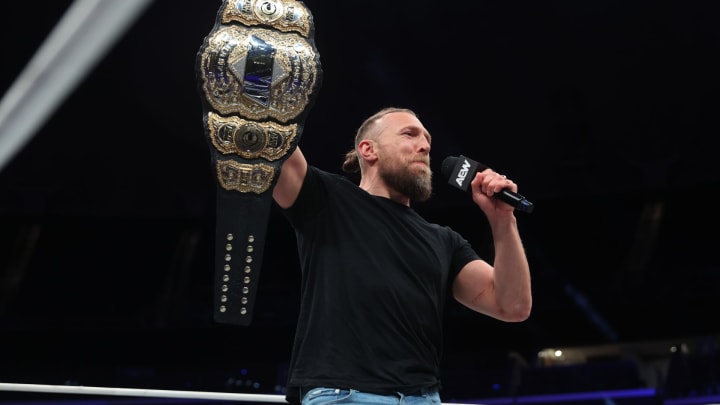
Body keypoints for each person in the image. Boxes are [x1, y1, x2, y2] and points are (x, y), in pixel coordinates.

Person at [272, 107, 532, 405]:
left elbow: (513, 305)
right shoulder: (328, 200)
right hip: (344, 394)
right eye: (409, 134)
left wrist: (503, 221)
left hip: (422, 397)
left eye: (427, 141)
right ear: (368, 150)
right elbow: (272, 141)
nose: (424, 146)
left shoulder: (444, 241)